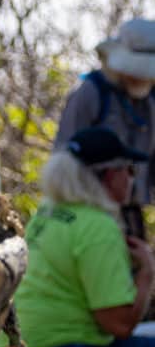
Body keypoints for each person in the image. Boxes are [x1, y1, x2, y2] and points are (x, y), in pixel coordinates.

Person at [0, 127, 155, 347]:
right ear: (108, 177)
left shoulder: (48, 213)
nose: (133, 179)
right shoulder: (96, 226)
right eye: (128, 170)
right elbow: (118, 324)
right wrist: (146, 272)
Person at [55, 19, 155, 239]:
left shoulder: (150, 100)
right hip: (89, 210)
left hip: (130, 211)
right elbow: (64, 156)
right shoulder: (90, 92)